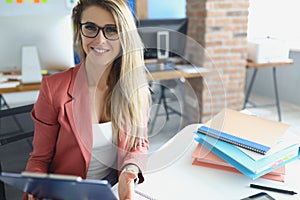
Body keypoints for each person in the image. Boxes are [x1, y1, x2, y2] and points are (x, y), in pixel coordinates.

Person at [23, 0, 151, 199]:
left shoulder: (135, 87)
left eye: (112, 30)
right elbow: (39, 159)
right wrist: (35, 186)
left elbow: (139, 143)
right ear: (79, 31)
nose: (100, 40)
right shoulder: (53, 89)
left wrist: (130, 171)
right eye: (90, 27)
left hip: (111, 188)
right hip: (64, 193)